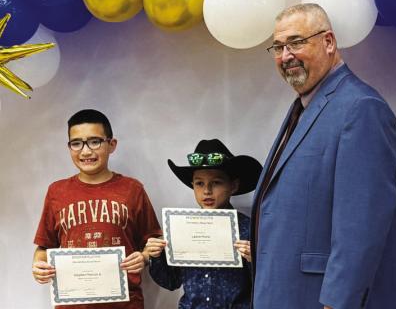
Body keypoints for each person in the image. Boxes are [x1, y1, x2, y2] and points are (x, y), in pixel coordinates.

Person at [250, 3, 396, 309]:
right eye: (278, 47)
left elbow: (360, 229)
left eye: (296, 42)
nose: (286, 56)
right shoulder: (306, 106)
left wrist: (337, 303)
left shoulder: (361, 108)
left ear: (328, 42)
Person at [31, 109, 162, 309]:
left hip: (125, 304)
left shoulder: (132, 189)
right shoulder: (56, 191)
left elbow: (153, 241)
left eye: (95, 141)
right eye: (76, 143)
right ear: (69, 147)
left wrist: (144, 257)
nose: (85, 151)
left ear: (111, 145)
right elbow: (44, 247)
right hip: (71, 304)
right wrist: (38, 266)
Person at [144, 139, 262, 309]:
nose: (207, 191)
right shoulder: (181, 228)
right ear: (193, 186)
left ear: (233, 186)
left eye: (216, 182)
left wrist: (255, 260)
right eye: (200, 183)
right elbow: (171, 281)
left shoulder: (249, 229)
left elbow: (265, 285)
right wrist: (156, 256)